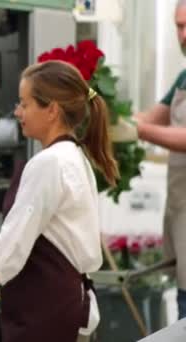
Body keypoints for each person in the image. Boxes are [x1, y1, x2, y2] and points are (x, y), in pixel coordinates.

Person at [0, 60, 119, 341]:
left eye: (25, 103)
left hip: (48, 311)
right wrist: (11, 286)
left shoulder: (50, 162)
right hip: (63, 301)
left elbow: (15, 237)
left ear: (52, 110)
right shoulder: (74, 156)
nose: (18, 112)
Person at [128, 0, 186, 320]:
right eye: (178, 26)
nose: (183, 34)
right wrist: (108, 121)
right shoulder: (183, 78)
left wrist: (139, 130)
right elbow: (152, 118)